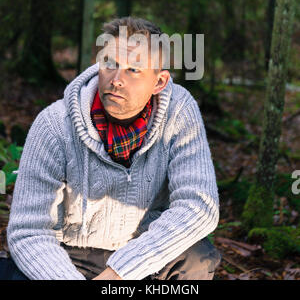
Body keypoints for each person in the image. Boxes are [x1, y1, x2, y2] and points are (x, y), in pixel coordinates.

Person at [1, 16, 221, 280]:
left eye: (133, 70)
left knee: (197, 259)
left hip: (146, 254)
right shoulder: (54, 125)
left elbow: (199, 206)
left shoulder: (179, 114)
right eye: (110, 64)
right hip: (70, 257)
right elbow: (29, 232)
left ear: (159, 82)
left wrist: (118, 274)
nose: (117, 79)